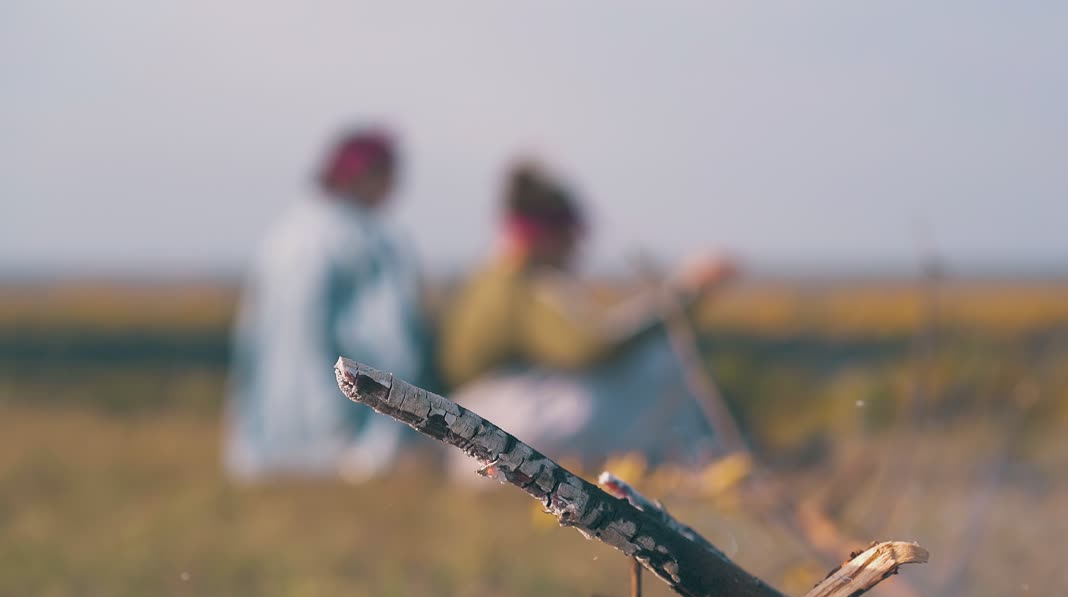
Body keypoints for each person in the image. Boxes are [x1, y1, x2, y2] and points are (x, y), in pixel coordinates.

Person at [438, 161, 735, 477]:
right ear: (548, 235)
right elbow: (590, 348)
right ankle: (708, 462)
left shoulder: (490, 277)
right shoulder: (525, 282)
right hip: (496, 420)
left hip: (472, 423)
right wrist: (682, 294)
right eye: (570, 239)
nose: (576, 252)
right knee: (659, 366)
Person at [224, 129, 426, 482]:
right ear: (369, 175)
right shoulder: (367, 239)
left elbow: (252, 341)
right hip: (349, 438)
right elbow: (390, 341)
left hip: (269, 439)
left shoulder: (286, 232)